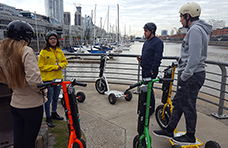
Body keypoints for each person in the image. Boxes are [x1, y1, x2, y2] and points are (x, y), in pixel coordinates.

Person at [153, 2, 212, 144]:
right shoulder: (199, 29)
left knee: (188, 105)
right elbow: (190, 55)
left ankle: (190, 136)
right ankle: (170, 129)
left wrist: (184, 76)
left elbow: (195, 58)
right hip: (191, 74)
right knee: (178, 102)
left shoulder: (195, 30)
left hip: (191, 76)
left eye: (181, 17)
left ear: (188, 15)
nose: (180, 20)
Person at [0, 20, 47, 148]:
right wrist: (44, 91)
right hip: (31, 105)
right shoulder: (26, 50)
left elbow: (3, 79)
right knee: (29, 141)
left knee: (18, 141)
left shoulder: (2, 51)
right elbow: (34, 81)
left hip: (15, 103)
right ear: (25, 37)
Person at [38, 31, 68, 127]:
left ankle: (54, 112)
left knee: (55, 98)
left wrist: (61, 66)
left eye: (54, 38)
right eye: (51, 38)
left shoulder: (59, 50)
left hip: (58, 78)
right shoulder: (44, 51)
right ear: (48, 40)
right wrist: (55, 67)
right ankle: (48, 117)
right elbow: (41, 66)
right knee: (48, 99)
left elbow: (65, 61)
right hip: (48, 79)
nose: (53, 40)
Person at [137, 22, 163, 116]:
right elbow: (146, 55)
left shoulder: (158, 42)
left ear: (152, 31)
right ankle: (146, 107)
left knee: (149, 90)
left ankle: (150, 109)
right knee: (146, 89)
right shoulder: (146, 42)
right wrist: (141, 59)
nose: (144, 33)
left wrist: (153, 70)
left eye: (146, 31)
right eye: (144, 31)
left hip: (151, 71)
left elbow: (157, 58)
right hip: (144, 68)